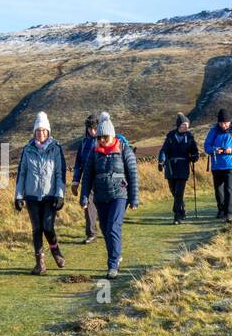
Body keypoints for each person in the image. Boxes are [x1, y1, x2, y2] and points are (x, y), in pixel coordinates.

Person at [79, 113, 139, 278]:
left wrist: (134, 198)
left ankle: (112, 265)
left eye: (104, 137)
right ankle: (116, 254)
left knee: (113, 226)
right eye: (99, 138)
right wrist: (84, 197)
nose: (101, 141)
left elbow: (132, 175)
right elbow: (87, 177)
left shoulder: (124, 150)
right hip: (100, 196)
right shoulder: (94, 152)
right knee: (105, 229)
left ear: (111, 136)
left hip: (119, 194)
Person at [14, 111, 67, 274]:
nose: (41, 133)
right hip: (31, 196)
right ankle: (40, 263)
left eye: (44, 130)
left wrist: (60, 194)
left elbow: (60, 173)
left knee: (48, 228)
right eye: (38, 130)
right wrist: (18, 195)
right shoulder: (27, 149)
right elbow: (22, 173)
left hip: (50, 196)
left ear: (48, 131)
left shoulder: (56, 149)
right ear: (34, 132)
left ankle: (56, 251)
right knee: (37, 229)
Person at [203, 108, 232, 222]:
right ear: (218, 122)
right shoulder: (213, 131)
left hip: (230, 164)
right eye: (221, 123)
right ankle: (221, 210)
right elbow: (207, 146)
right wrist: (214, 150)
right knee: (218, 189)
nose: (223, 125)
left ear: (230, 121)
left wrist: (231, 150)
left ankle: (229, 213)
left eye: (226, 122)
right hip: (216, 165)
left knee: (228, 187)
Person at [156, 113, 199, 224]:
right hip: (170, 168)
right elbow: (164, 151)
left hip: (183, 167)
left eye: (187, 125)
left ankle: (177, 215)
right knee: (174, 191)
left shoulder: (189, 136)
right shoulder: (170, 136)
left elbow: (194, 150)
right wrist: (161, 161)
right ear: (179, 125)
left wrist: (194, 156)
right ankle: (182, 209)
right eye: (185, 124)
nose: (187, 127)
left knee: (179, 192)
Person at [71, 114, 100, 244]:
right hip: (87, 180)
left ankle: (108, 229)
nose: (92, 131)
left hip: (102, 179)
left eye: (94, 128)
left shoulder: (104, 139)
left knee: (104, 206)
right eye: (89, 128)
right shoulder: (84, 143)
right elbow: (78, 164)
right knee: (87, 205)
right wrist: (75, 181)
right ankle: (91, 234)